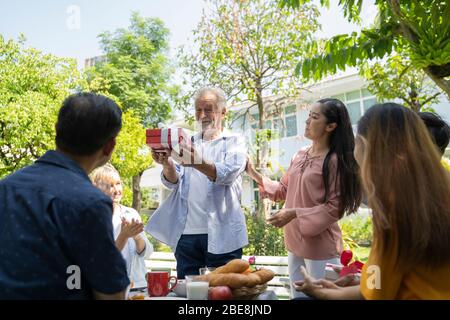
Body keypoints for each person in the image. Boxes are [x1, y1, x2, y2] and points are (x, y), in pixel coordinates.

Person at [295, 103, 450, 299]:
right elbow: (391, 277)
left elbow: (378, 292)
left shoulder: (396, 206)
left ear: (366, 146)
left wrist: (322, 293)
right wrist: (362, 280)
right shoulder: (438, 189)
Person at [0, 92, 130, 299]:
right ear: (109, 147)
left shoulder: (6, 187)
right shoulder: (90, 202)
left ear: (56, 130)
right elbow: (110, 293)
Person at [246, 98, 362, 299]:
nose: (307, 121)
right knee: (298, 297)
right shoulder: (299, 155)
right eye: (309, 115)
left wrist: (293, 213)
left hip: (320, 247)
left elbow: (335, 207)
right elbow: (283, 190)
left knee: (323, 296)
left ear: (331, 126)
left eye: (314, 117)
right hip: (294, 242)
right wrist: (253, 173)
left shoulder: (335, 161)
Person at [146, 87, 248, 279]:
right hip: (186, 235)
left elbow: (226, 174)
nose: (202, 115)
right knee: (188, 294)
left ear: (223, 112)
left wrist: (195, 161)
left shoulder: (235, 142)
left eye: (208, 109)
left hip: (223, 234)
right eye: (198, 110)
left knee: (225, 292)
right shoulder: (187, 142)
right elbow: (173, 182)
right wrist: (166, 163)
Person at [91, 163, 153, 288]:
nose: (116, 190)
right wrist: (124, 235)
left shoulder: (131, 213)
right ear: (96, 187)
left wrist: (136, 237)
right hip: (110, 287)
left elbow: (146, 252)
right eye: (109, 185)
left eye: (118, 183)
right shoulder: (92, 218)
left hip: (137, 286)